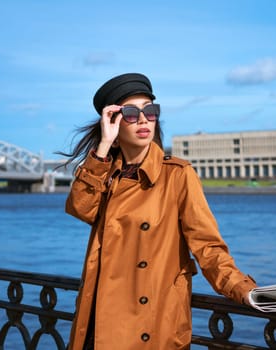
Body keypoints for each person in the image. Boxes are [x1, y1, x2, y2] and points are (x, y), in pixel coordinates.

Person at [60, 73, 257, 349]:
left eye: (150, 111)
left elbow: (208, 247)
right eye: (130, 113)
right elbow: (81, 208)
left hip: (150, 327)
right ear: (114, 124)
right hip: (97, 324)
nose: (143, 120)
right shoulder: (107, 175)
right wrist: (104, 146)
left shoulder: (177, 175)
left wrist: (245, 290)